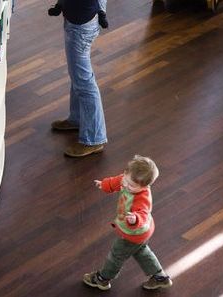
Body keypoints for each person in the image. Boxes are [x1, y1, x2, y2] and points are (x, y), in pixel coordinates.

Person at [83, 155, 173, 290]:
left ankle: (102, 279)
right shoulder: (127, 178)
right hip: (142, 232)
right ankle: (160, 277)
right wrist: (104, 184)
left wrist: (135, 219)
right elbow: (116, 181)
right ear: (126, 173)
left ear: (145, 186)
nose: (126, 185)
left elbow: (143, 212)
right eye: (126, 180)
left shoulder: (143, 197)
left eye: (132, 186)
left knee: (116, 254)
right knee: (141, 251)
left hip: (135, 232)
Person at [48, 0, 109, 157]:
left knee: (84, 82)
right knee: (78, 75)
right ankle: (78, 118)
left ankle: (94, 138)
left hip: (81, 24)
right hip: (80, 18)